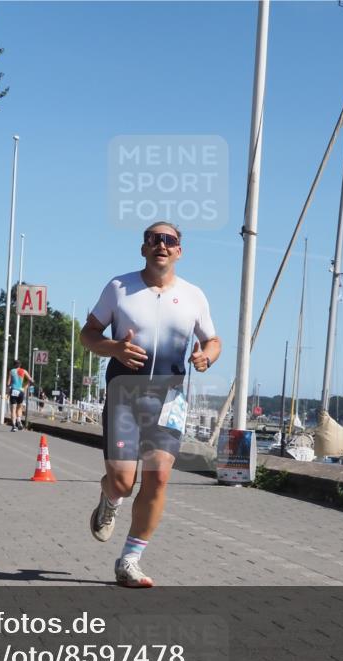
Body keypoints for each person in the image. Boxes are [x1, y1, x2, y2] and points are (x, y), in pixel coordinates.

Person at [80, 222, 220, 587]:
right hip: (125, 393)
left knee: (158, 479)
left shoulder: (194, 296)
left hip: (170, 397)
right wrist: (113, 348)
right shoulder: (119, 288)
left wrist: (206, 356)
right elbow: (88, 334)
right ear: (143, 248)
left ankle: (130, 559)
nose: (161, 244)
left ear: (179, 251)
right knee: (125, 482)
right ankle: (110, 496)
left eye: (169, 240)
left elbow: (213, 340)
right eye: (153, 239)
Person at [6, 360, 32, 432]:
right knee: (19, 407)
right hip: (21, 391)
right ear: (20, 365)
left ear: (14, 365)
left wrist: (7, 393)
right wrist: (24, 387)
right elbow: (31, 380)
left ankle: (14, 426)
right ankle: (19, 421)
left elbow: (8, 384)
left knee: (13, 409)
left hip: (13, 390)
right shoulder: (24, 371)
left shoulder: (11, 371)